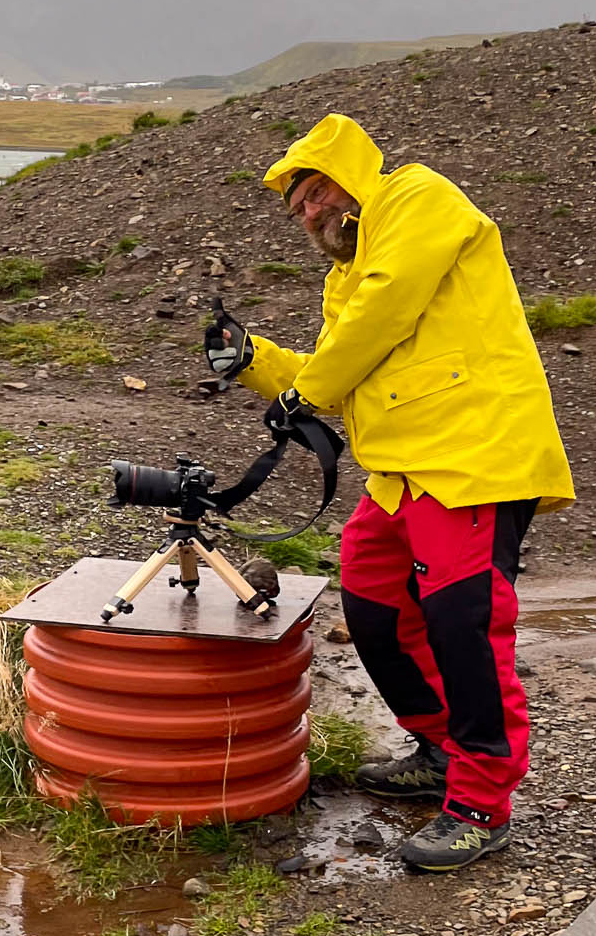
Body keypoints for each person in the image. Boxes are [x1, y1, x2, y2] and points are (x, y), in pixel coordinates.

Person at [204, 113, 573, 870]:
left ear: (351, 176)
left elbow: (384, 310)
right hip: (404, 475)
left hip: (475, 457)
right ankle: (438, 750)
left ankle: (480, 803)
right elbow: (346, 369)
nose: (307, 210)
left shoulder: (416, 197)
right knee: (375, 608)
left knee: (463, 628)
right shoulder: (349, 272)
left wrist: (304, 390)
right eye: (297, 205)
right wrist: (257, 362)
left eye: (315, 190)